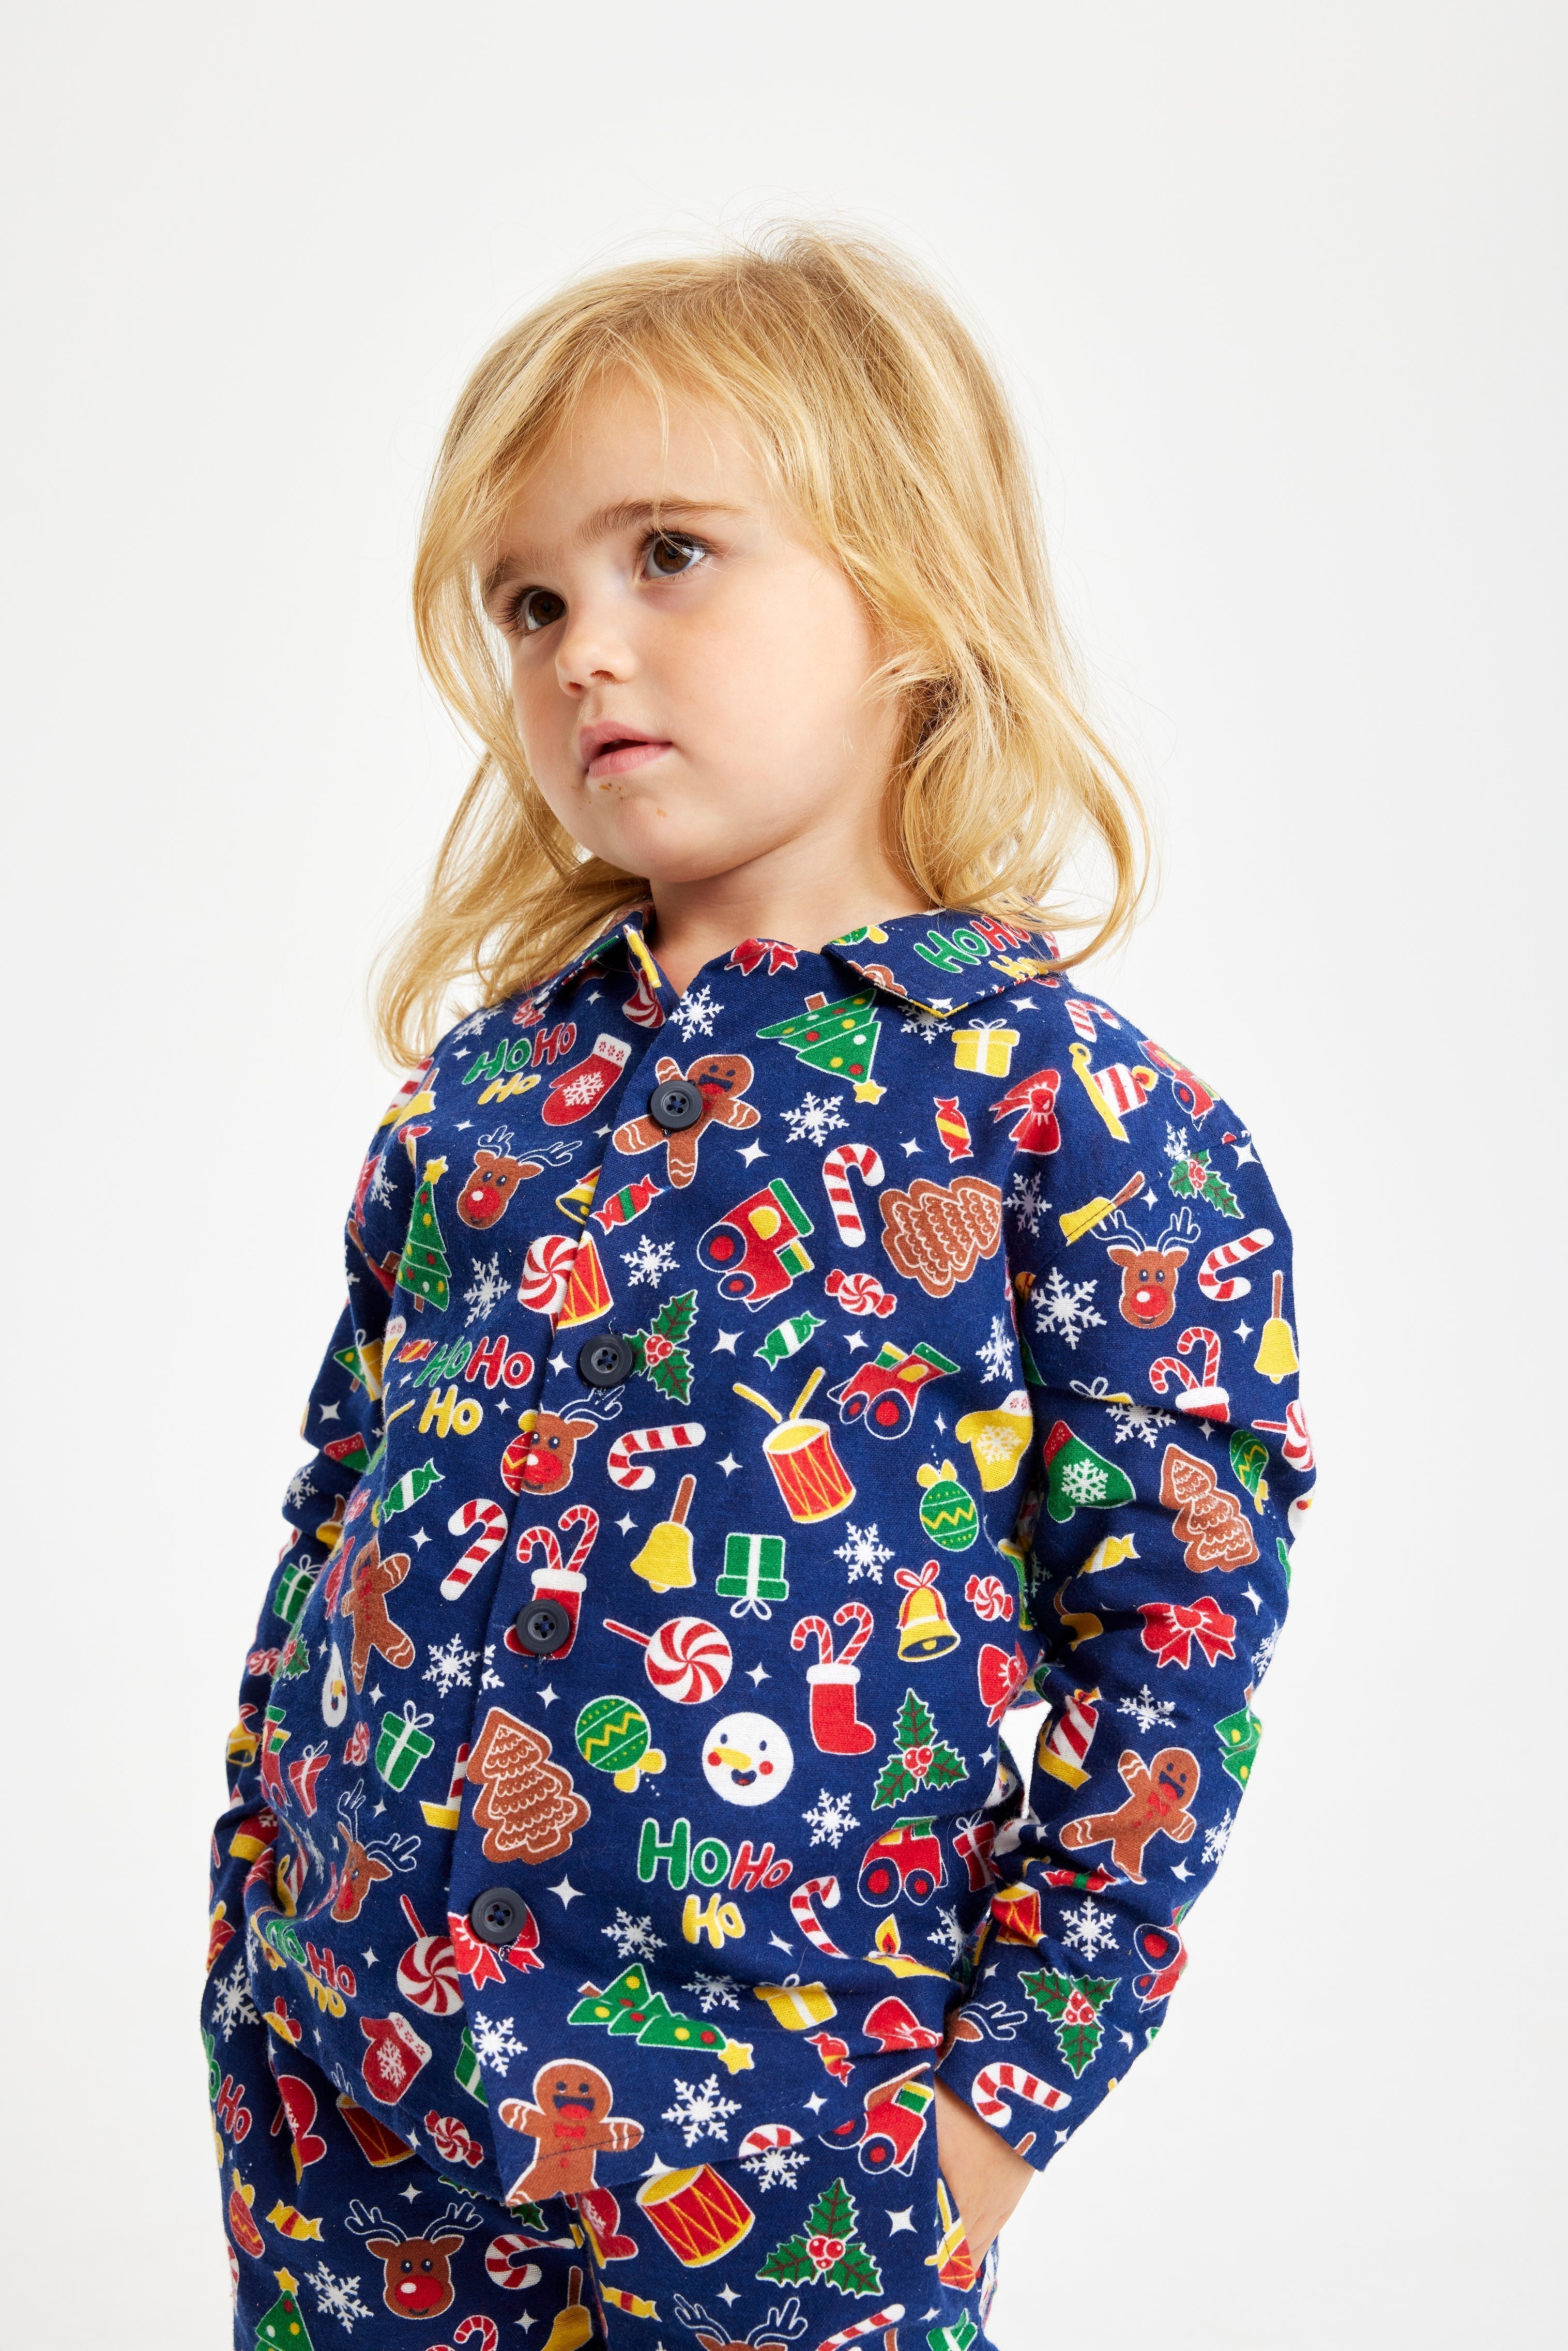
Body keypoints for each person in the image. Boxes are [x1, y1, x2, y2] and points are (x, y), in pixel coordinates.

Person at [203, 225, 1313, 2349]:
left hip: (796, 2149)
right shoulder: (481, 1104)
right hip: (353, 2109)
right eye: (531, 603)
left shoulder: (1076, 1112)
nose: (583, 653)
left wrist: (989, 2115)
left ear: (911, 597)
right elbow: (332, 1521)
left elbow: (1176, 1649)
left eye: (669, 556)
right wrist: (260, 1933)